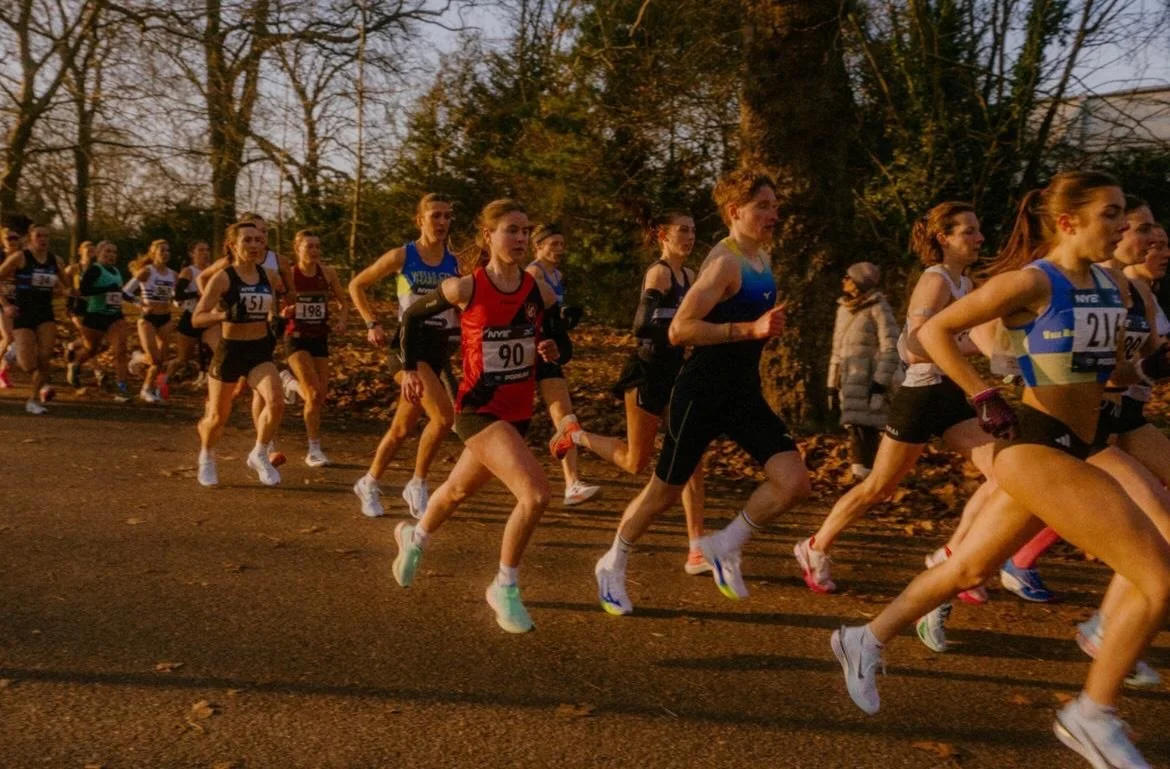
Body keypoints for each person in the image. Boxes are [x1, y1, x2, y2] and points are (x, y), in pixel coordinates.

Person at [831, 171, 1170, 769]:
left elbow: (1112, 374)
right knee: (1157, 575)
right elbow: (931, 332)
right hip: (1034, 444)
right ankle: (1092, 713)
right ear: (1069, 222)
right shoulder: (1032, 281)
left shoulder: (1109, 287)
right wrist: (982, 393)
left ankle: (865, 637)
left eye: (1124, 215)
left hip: (1078, 443)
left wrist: (1143, 367)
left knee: (970, 565)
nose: (1122, 227)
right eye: (1111, 214)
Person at [593, 169, 812, 616]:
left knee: (795, 483)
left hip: (742, 392)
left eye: (774, 205)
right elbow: (679, 329)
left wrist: (762, 331)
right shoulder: (724, 262)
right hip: (702, 393)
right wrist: (750, 328)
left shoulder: (761, 258)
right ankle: (612, 562)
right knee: (663, 493)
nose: (774, 214)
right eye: (763, 206)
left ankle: (725, 544)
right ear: (736, 212)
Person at [795, 202, 995, 596]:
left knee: (1005, 473)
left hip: (951, 393)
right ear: (944, 238)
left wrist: (995, 348)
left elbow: (960, 341)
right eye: (969, 231)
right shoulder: (935, 280)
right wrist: (975, 348)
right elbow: (912, 347)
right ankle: (814, 546)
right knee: (879, 487)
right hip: (920, 396)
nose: (980, 238)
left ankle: (956, 556)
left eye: (977, 229)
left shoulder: (966, 285)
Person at [389, 199, 562, 634]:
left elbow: (559, 343)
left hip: (518, 411)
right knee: (536, 495)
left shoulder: (538, 291)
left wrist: (552, 349)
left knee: (455, 491)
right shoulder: (463, 288)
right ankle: (504, 585)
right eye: (511, 230)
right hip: (478, 410)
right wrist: (410, 366)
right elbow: (409, 316)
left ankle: (416, 535)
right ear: (489, 236)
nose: (521, 238)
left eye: (525, 231)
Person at [571, 211, 710, 573]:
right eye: (683, 230)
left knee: (692, 459)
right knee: (636, 462)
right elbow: (641, 325)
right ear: (663, 235)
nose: (690, 237)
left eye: (693, 230)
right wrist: (679, 329)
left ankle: (696, 549)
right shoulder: (660, 272)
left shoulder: (691, 276)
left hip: (678, 375)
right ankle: (577, 436)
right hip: (647, 374)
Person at [351, 193, 460, 519]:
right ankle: (417, 483)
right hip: (407, 349)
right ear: (420, 220)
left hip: (439, 348)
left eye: (446, 216)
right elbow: (357, 284)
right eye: (435, 216)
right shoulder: (403, 255)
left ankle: (368, 482)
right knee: (443, 417)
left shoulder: (456, 262)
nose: (441, 222)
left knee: (401, 428)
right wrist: (371, 322)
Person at [193, 221, 285, 487]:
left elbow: (272, 305)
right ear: (233, 246)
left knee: (276, 401)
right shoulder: (223, 278)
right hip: (230, 351)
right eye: (248, 240)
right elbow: (198, 318)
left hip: (259, 350)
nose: (255, 245)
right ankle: (207, 456)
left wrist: (275, 319)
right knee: (217, 418)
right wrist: (224, 314)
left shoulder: (269, 275)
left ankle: (259, 452)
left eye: (258, 240)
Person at [526, 224, 601, 506]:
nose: (559, 250)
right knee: (508, 422)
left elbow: (552, 317)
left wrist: (563, 324)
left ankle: (572, 484)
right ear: (538, 247)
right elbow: (526, 314)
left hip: (549, 354)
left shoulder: (557, 275)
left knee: (566, 419)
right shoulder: (533, 273)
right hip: (528, 352)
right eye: (553, 244)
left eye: (561, 244)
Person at [279, 229, 348, 467]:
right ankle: (314, 450)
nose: (315, 250)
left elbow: (342, 301)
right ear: (297, 249)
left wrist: (341, 319)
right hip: (296, 338)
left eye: (317, 246)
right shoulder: (288, 275)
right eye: (309, 246)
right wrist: (283, 312)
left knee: (319, 397)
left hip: (319, 337)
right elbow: (275, 306)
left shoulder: (328, 273)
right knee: (314, 393)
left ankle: (288, 382)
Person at [826, 262, 900, 479]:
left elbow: (891, 348)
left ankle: (866, 478)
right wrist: (831, 384)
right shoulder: (843, 310)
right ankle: (864, 476)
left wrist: (879, 384)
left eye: (847, 277)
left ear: (858, 282)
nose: (843, 281)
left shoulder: (879, 308)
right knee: (855, 428)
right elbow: (837, 350)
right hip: (849, 380)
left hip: (870, 381)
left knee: (866, 430)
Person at [0, 225, 68, 414]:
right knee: (28, 364)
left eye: (46, 236)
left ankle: (34, 399)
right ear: (30, 238)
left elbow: (66, 284)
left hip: (45, 313)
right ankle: (15, 356)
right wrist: (5, 304)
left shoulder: (55, 260)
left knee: (45, 357)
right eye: (39, 236)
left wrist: (67, 290)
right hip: (23, 313)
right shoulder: (20, 257)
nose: (43, 239)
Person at [71, 241, 131, 402]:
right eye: (107, 252)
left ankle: (122, 389)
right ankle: (76, 364)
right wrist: (106, 289)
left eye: (114, 252)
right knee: (91, 350)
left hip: (115, 316)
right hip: (95, 316)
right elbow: (84, 290)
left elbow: (118, 291)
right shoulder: (95, 269)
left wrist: (135, 300)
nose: (111, 255)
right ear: (98, 253)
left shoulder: (117, 271)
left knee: (120, 351)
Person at [123, 240, 177, 403]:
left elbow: (176, 295)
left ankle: (147, 389)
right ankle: (137, 358)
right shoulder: (147, 271)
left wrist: (177, 301)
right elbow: (125, 292)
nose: (165, 253)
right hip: (148, 319)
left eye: (168, 250)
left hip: (165, 318)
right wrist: (141, 305)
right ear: (153, 253)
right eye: (162, 250)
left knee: (162, 360)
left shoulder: (173, 274)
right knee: (154, 359)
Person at [173, 240, 215, 388]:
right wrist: (196, 294)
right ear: (192, 254)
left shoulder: (213, 270)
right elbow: (178, 295)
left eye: (207, 250)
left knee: (214, 349)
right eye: (201, 250)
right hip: (190, 316)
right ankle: (161, 381)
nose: (205, 253)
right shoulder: (189, 271)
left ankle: (206, 377)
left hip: (208, 316)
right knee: (183, 359)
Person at [0, 227, 24, 389]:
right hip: (2, 301)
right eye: (9, 238)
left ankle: (3, 371)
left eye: (15, 238)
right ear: (3, 241)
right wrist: (5, 304)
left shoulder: (23, 258)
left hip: (19, 302)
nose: (13, 241)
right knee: (9, 337)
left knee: (18, 340)